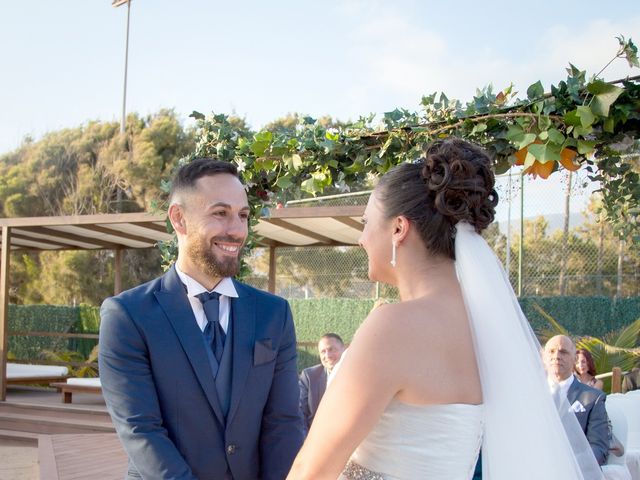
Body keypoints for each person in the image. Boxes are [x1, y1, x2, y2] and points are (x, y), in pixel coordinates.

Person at [287, 138, 603, 480]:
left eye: (366, 222)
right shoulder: (487, 329)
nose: (362, 239)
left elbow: (312, 469)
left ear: (398, 228)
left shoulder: (394, 326)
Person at [99, 159, 304, 480]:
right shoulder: (127, 316)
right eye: (220, 213)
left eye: (243, 215)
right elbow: (141, 431)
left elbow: (284, 422)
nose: (236, 230)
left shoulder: (273, 314)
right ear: (179, 219)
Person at [544, 335, 609, 466]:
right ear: (543, 358)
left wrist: (570, 466)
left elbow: (598, 448)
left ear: (574, 359)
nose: (556, 356)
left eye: (563, 352)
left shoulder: (593, 398)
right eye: (551, 351)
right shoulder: (531, 393)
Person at [299, 333, 346, 431]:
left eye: (331, 349)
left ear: (344, 349)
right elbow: (300, 413)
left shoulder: (356, 375)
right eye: (323, 352)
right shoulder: (309, 377)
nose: (327, 355)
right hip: (316, 439)